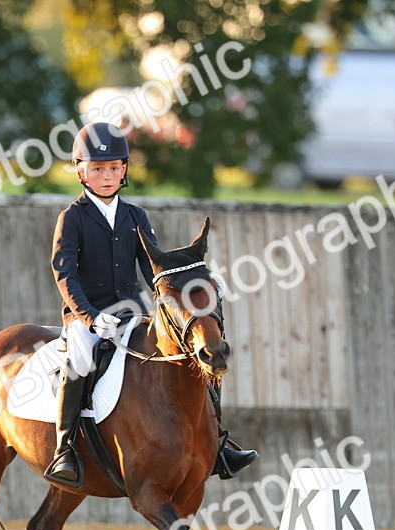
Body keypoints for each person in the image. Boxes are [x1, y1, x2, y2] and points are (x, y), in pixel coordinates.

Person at [44, 121, 258, 487]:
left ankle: (219, 444)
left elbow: (155, 271)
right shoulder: (72, 218)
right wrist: (90, 318)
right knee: (79, 355)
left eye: (114, 168)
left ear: (124, 169)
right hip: (89, 316)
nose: (107, 176)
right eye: (98, 169)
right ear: (81, 171)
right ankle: (64, 449)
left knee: (195, 350)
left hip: (132, 312)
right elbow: (65, 275)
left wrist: (192, 285)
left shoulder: (136, 216)